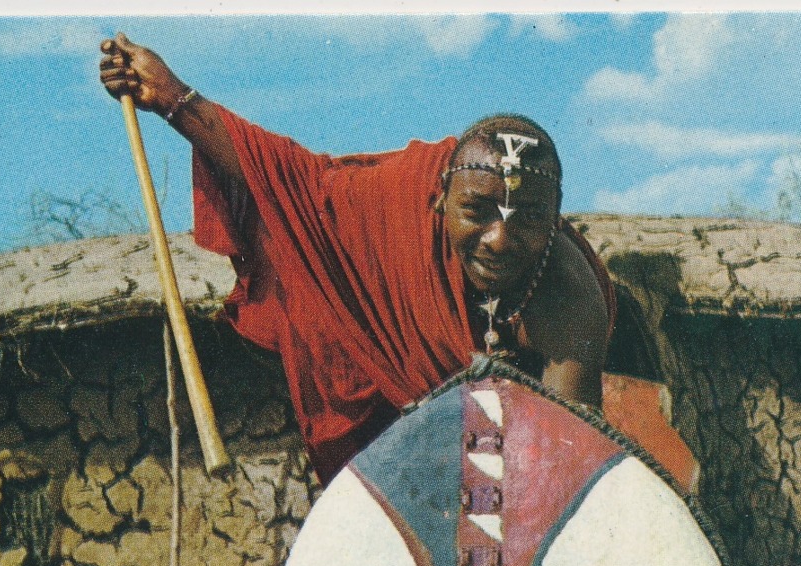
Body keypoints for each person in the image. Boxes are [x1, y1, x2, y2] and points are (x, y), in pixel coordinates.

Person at [98, 35, 614, 485]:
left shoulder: (568, 298)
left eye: (527, 220)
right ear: (439, 199)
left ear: (553, 221)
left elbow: (562, 466)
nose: (499, 240)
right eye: (476, 211)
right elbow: (292, 183)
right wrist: (171, 97)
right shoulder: (398, 202)